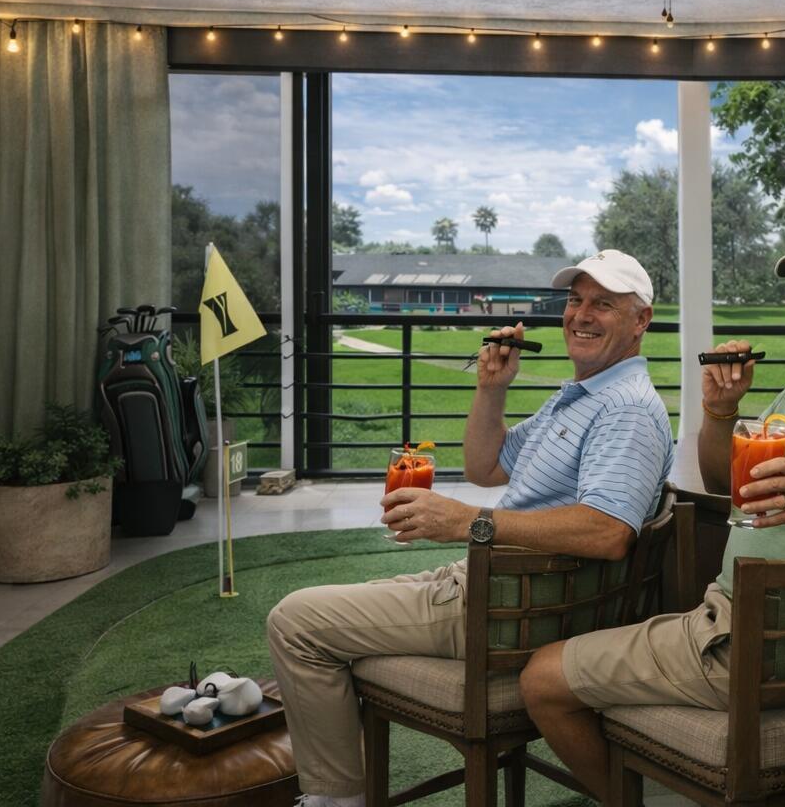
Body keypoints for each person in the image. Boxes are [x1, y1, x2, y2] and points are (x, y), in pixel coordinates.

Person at [518, 220, 785, 802]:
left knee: (542, 677)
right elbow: (731, 489)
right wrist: (721, 411)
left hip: (770, 645)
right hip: (744, 624)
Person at [267, 250, 674, 807]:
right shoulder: (581, 397)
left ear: (641, 321)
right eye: (576, 300)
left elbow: (607, 531)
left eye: (603, 304)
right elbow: (487, 467)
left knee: (295, 621)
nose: (581, 315)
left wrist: (464, 521)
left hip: (512, 610)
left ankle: (335, 798)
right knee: (329, 615)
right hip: (494, 588)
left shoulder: (624, 408)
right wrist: (492, 387)